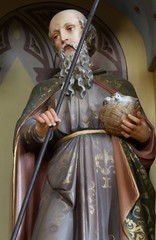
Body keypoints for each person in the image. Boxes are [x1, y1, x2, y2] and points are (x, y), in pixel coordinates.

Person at [13, 9, 156, 240]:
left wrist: (143, 135)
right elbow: (24, 134)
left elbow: (145, 139)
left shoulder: (118, 85)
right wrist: (39, 129)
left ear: (87, 34)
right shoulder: (45, 90)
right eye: (56, 37)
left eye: (70, 29)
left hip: (110, 176)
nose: (64, 38)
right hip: (61, 177)